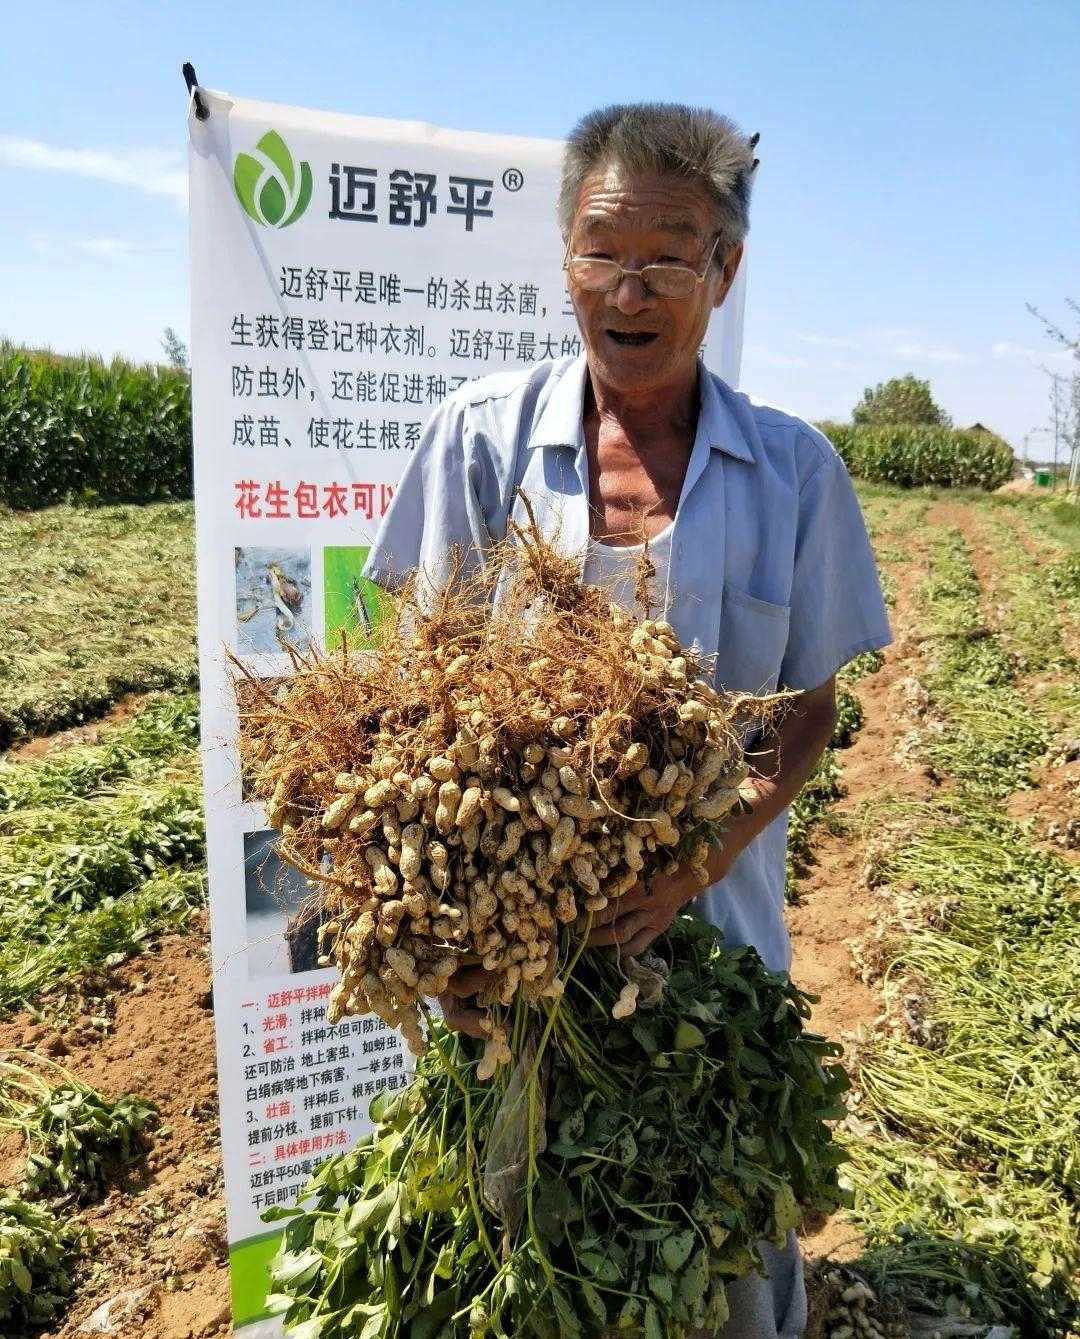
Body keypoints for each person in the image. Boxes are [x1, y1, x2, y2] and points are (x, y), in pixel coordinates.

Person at [363, 102, 892, 1339]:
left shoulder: (797, 472)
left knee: (720, 1253)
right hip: (517, 970)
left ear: (726, 270)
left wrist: (693, 864)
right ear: (566, 264)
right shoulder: (476, 442)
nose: (633, 286)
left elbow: (807, 713)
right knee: (523, 1246)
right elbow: (409, 710)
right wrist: (451, 945)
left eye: (672, 252)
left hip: (718, 962)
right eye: (604, 250)